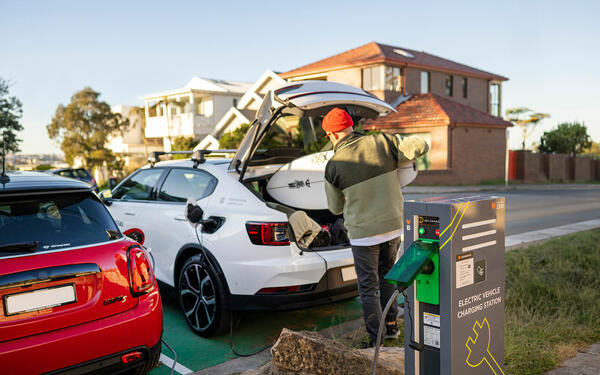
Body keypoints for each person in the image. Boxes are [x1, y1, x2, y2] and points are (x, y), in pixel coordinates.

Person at [322, 107, 429, 347]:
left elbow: (335, 208)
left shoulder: (333, 165)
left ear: (333, 135)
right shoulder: (383, 142)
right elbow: (421, 145)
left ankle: (376, 340)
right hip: (392, 226)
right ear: (350, 126)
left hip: (363, 235)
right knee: (388, 277)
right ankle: (391, 328)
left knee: (368, 287)